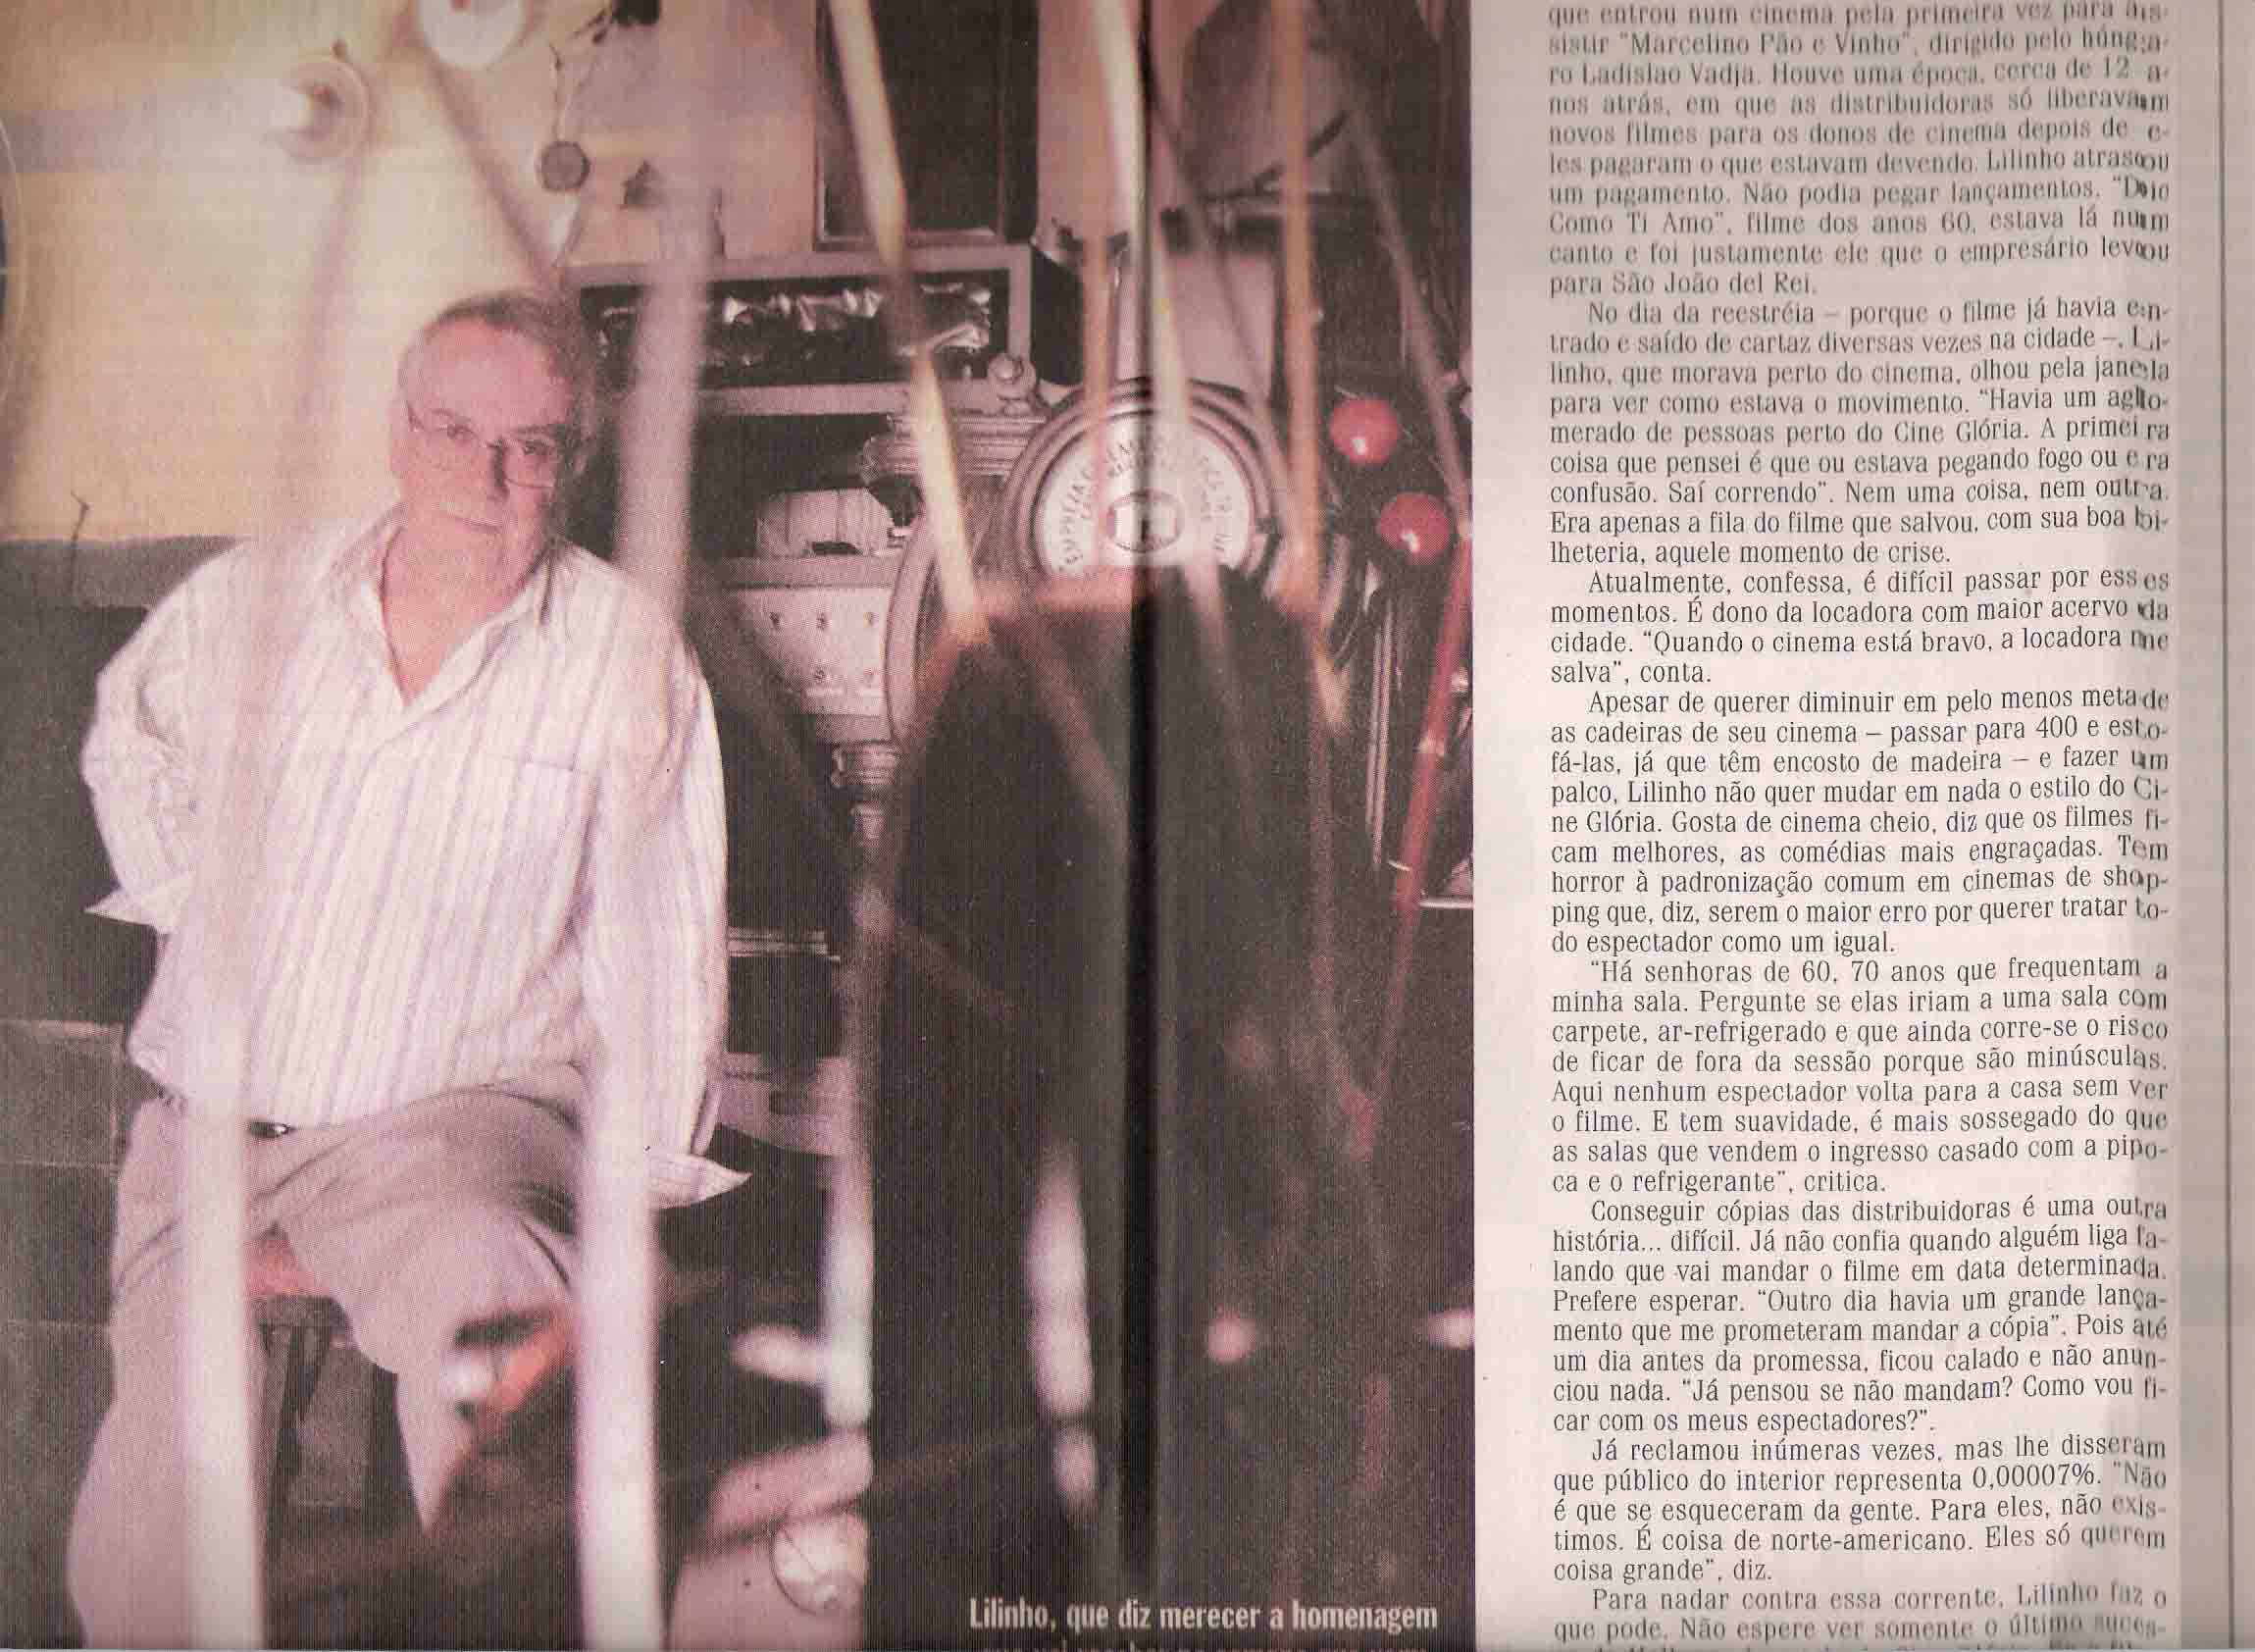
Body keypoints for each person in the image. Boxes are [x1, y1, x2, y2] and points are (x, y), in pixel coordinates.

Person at [67, 288, 731, 1645]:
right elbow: (127, 741)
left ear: (575, 462)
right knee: (149, 1570)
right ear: (397, 430)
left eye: (532, 446)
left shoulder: (623, 656)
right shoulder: (249, 603)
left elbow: (662, 948)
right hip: (209, 1141)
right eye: (454, 432)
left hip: (450, 1138)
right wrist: (212, 907)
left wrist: (638, 1196)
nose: (488, 478)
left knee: (507, 1333)